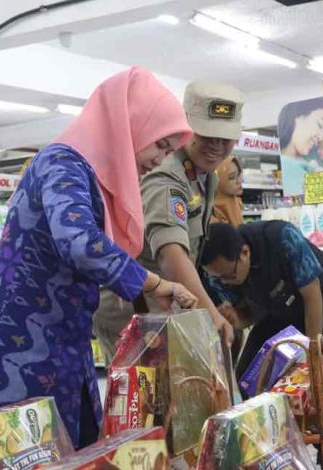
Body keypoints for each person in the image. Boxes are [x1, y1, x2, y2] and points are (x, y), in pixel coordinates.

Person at [0, 67, 198, 450]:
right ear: (131, 125)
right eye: (160, 145)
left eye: (169, 151)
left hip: (61, 343)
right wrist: (157, 283)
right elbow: (80, 243)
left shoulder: (92, 176)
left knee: (75, 451)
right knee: (23, 453)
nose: (162, 159)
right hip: (12, 344)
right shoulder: (62, 163)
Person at [93, 80, 243, 360]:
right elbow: (171, 257)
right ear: (186, 128)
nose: (216, 146)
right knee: (144, 397)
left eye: (224, 138)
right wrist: (210, 315)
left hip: (162, 308)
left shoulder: (203, 174)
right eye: (207, 135)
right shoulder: (166, 173)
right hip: (133, 313)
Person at [200, 221, 323, 390]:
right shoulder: (220, 277)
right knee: (247, 377)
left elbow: (312, 296)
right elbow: (250, 316)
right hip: (279, 309)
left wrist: (314, 352)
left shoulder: (282, 237)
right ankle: (274, 415)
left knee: (322, 375)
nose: (225, 282)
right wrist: (236, 318)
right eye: (218, 278)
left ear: (245, 252)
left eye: (230, 275)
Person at [278, 97, 323, 194]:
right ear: (299, 117)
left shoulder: (318, 159)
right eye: (320, 125)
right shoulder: (285, 164)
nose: (320, 137)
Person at [211, 156, 244, 227]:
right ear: (218, 181)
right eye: (232, 177)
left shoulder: (237, 203)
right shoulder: (212, 214)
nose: (239, 181)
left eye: (239, 174)